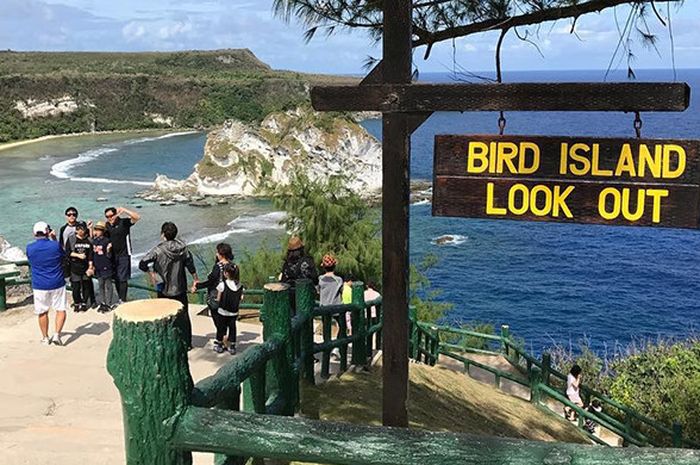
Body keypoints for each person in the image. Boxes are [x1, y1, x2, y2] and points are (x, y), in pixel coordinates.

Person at [138, 222, 199, 349]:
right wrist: (195, 279)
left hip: (163, 288)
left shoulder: (158, 250)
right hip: (180, 287)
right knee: (183, 316)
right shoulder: (183, 249)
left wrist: (152, 273)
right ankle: (187, 343)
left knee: (164, 316)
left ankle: (166, 342)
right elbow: (190, 265)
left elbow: (142, 263)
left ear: (163, 234)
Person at [26, 221, 68, 345]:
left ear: (34, 233)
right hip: (57, 282)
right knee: (60, 309)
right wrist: (54, 238)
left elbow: (30, 258)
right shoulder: (55, 246)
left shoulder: (30, 247)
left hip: (39, 284)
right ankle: (57, 335)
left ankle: (45, 337)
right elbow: (63, 253)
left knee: (42, 312)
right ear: (47, 232)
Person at [194, 243, 234, 351]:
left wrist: (197, 286)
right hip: (229, 297)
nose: (216, 254)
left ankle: (221, 341)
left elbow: (211, 281)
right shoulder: (232, 266)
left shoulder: (218, 267)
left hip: (217, 297)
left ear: (220, 254)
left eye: (217, 252)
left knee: (218, 320)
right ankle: (227, 339)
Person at [105, 206, 140, 303]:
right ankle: (120, 298)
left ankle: (123, 300)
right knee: (116, 278)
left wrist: (124, 210)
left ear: (116, 214)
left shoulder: (124, 222)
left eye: (111, 216)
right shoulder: (107, 225)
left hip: (124, 254)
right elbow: (99, 235)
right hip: (112, 255)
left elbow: (137, 217)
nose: (110, 218)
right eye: (107, 217)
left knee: (122, 278)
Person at [280, 236, 317, 311]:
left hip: (290, 297)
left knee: (293, 319)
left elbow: (283, 282)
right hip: (306, 296)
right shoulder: (308, 261)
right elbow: (315, 278)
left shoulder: (286, 264)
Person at [213, 263, 243, 354]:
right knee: (232, 328)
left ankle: (219, 344)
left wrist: (215, 300)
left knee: (221, 328)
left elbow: (218, 298)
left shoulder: (222, 284)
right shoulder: (240, 285)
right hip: (234, 312)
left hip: (223, 311)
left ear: (225, 273)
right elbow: (241, 298)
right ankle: (232, 346)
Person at [65, 222, 94, 312]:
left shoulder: (89, 240)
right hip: (74, 267)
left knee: (86, 286)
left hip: (85, 267)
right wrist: (78, 255)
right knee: (76, 287)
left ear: (85, 229)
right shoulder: (71, 239)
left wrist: (90, 267)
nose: (80, 231)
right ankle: (77, 303)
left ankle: (84, 303)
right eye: (78, 229)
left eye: (82, 229)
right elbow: (68, 252)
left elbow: (90, 255)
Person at [92, 221, 116, 312]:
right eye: (96, 229)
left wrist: (109, 250)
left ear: (103, 231)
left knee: (108, 285)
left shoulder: (107, 241)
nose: (97, 231)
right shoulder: (94, 241)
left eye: (99, 230)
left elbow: (110, 256)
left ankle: (109, 303)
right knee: (101, 285)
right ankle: (103, 302)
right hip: (97, 266)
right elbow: (92, 254)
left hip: (106, 265)